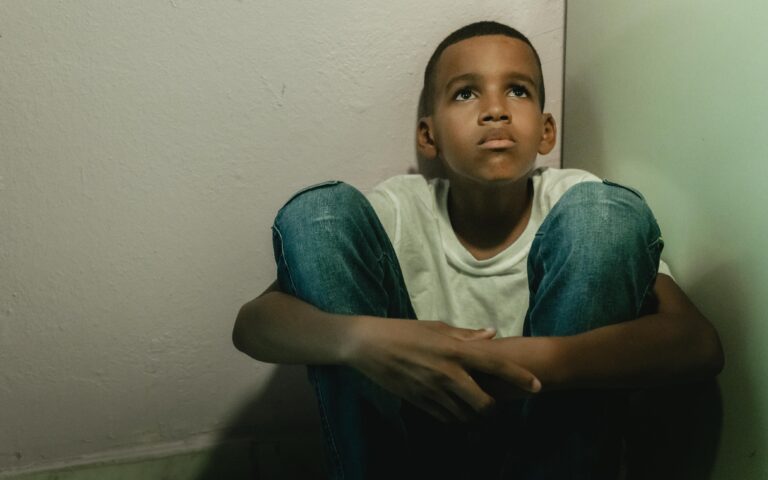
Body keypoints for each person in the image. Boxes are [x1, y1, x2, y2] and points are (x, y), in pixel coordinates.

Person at [233, 21, 724, 479]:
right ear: (429, 136)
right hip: (409, 444)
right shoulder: (399, 211)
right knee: (320, 211)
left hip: (549, 435)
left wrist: (545, 359)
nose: (495, 110)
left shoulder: (577, 205)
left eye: (518, 90)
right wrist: (364, 341)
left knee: (605, 212)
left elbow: (698, 343)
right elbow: (253, 325)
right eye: (466, 93)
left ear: (546, 131)